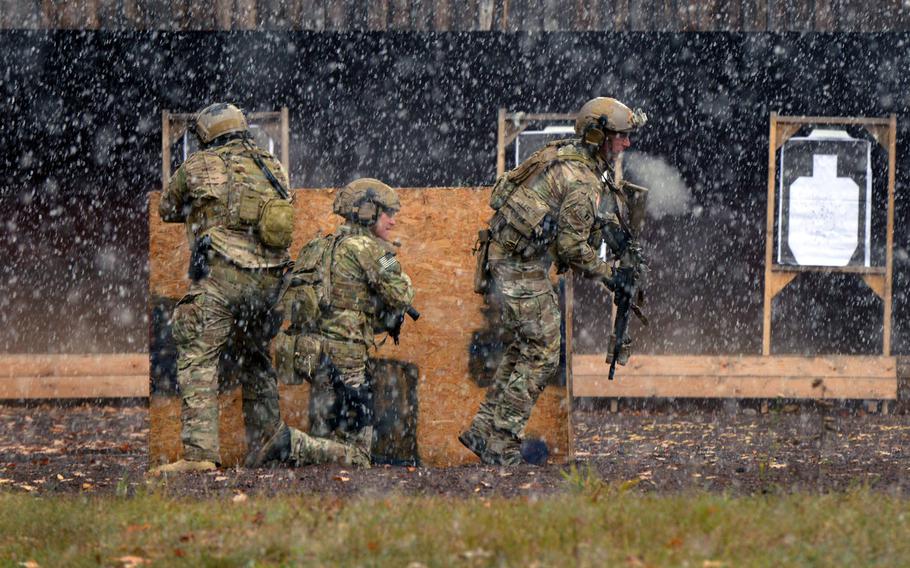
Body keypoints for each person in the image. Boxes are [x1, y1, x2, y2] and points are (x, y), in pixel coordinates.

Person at [153, 102, 365, 473]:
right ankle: (266, 440)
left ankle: (200, 455)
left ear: (206, 134)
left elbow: (168, 208)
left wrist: (207, 212)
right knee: (256, 359)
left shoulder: (199, 165)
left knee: (198, 358)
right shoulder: (273, 167)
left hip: (221, 278)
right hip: (268, 286)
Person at [460, 97, 648, 466]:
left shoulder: (568, 155)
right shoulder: (580, 180)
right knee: (544, 353)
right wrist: (611, 275)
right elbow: (572, 246)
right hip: (518, 266)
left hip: (516, 262)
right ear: (599, 135)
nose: (626, 144)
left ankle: (484, 430)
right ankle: (501, 442)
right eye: (621, 137)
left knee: (526, 347)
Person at [274, 178, 416, 466]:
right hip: (347, 356)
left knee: (331, 434)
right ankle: (290, 443)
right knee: (359, 454)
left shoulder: (322, 244)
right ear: (367, 212)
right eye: (387, 212)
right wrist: (392, 260)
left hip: (314, 352)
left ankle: (304, 454)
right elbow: (401, 294)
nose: (393, 220)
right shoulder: (368, 249)